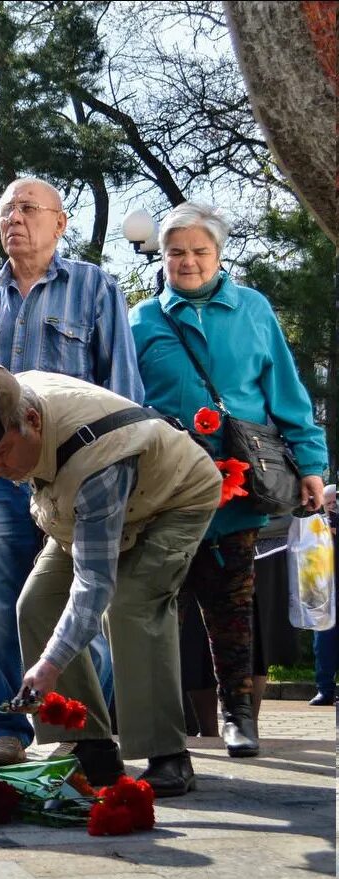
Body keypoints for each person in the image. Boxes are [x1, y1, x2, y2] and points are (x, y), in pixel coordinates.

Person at [0, 177, 138, 767]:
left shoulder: (95, 288)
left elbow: (123, 390)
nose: (13, 219)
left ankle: (82, 724)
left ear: (60, 222)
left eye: (26, 208)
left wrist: (120, 473)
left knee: (80, 597)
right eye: (4, 210)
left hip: (72, 475)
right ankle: (7, 727)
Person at [0, 363, 223, 796]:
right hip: (88, 510)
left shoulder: (96, 463)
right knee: (35, 604)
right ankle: (90, 746)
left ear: (32, 422)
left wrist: (50, 665)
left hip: (173, 498)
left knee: (132, 603)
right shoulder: (11, 401)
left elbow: (95, 585)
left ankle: (169, 755)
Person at [130, 202, 328, 756]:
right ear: (162, 257)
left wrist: (311, 465)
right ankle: (162, 726)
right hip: (165, 487)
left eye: (199, 251)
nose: (188, 262)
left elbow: (287, 394)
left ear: (218, 255)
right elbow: (126, 400)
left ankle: (238, 714)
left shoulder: (253, 310)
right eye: (176, 252)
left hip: (239, 486)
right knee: (155, 607)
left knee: (232, 607)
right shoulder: (141, 319)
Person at [310, 485, 338, 705]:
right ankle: (325, 689)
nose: (333, 507)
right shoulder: (317, 526)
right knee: (323, 641)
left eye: (335, 503)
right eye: (328, 503)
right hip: (325, 589)